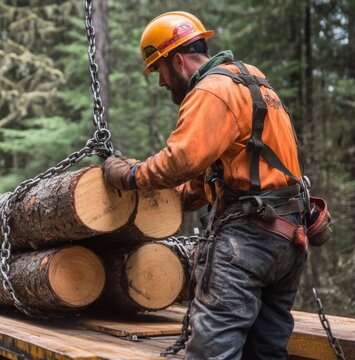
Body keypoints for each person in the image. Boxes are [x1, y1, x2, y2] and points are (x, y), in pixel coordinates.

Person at [103, 11, 308, 359]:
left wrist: (129, 175)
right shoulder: (252, 80)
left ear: (177, 60)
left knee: (213, 351)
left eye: (159, 71)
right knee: (267, 349)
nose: (161, 82)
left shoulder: (211, 90)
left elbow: (180, 160)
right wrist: (164, 205)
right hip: (288, 235)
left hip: (249, 240)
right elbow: (204, 180)